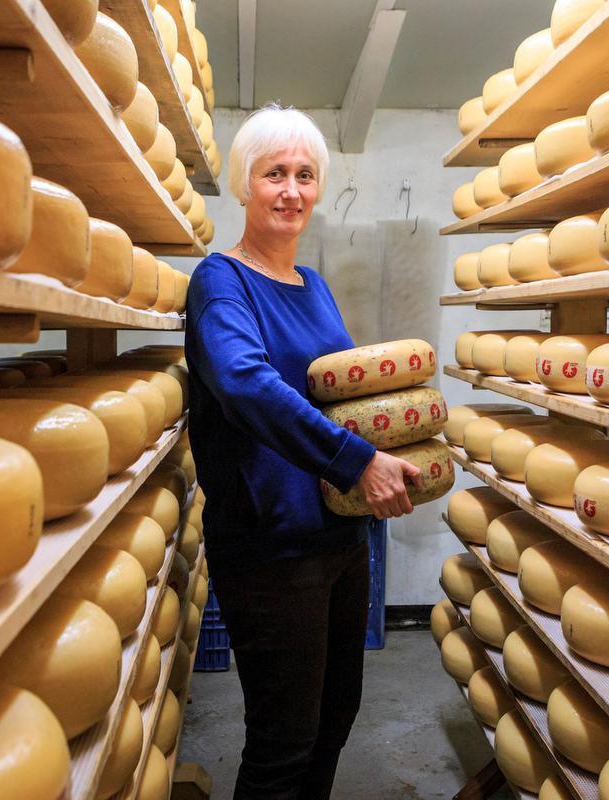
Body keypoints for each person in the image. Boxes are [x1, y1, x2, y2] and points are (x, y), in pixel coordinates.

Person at [184, 103, 422, 799]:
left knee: (334, 718)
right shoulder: (220, 282)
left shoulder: (313, 286)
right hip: (270, 547)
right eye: (274, 174)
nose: (291, 190)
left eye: (305, 175)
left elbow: (341, 397)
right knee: (282, 742)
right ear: (244, 184)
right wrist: (357, 462)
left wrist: (401, 445)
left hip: (340, 535)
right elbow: (244, 384)